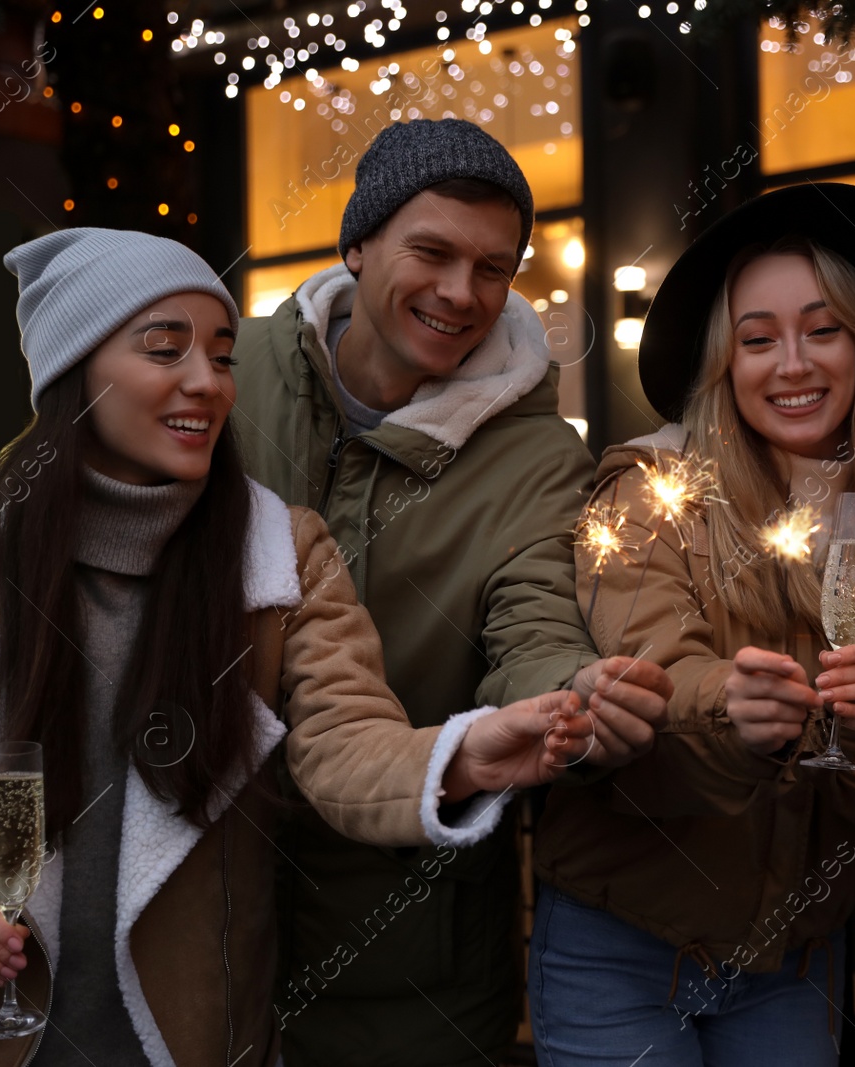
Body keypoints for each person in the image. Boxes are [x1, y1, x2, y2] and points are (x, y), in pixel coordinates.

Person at [0, 228, 598, 1067]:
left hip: (198, 1037)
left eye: (223, 356)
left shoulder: (279, 552)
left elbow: (346, 741)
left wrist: (460, 754)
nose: (206, 381)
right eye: (164, 348)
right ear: (73, 371)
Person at [231, 118, 672, 1065]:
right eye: (430, 252)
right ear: (357, 242)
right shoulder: (227, 370)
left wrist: (577, 698)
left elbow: (538, 625)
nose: (459, 292)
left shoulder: (536, 457)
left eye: (492, 268)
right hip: (189, 906)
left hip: (402, 949)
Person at [528, 183, 855, 1065]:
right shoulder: (651, 494)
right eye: (758, 340)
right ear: (725, 362)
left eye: (822, 330)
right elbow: (652, 676)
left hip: (794, 956)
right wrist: (729, 709)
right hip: (625, 945)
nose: (792, 363)